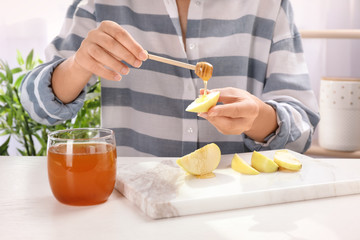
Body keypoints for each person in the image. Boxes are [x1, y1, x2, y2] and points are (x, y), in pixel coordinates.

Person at [20, 0, 320, 157]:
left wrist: (257, 118)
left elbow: (302, 132)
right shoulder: (101, 3)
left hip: (236, 204)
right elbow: (37, 108)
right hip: (131, 204)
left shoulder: (269, 5)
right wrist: (78, 64)